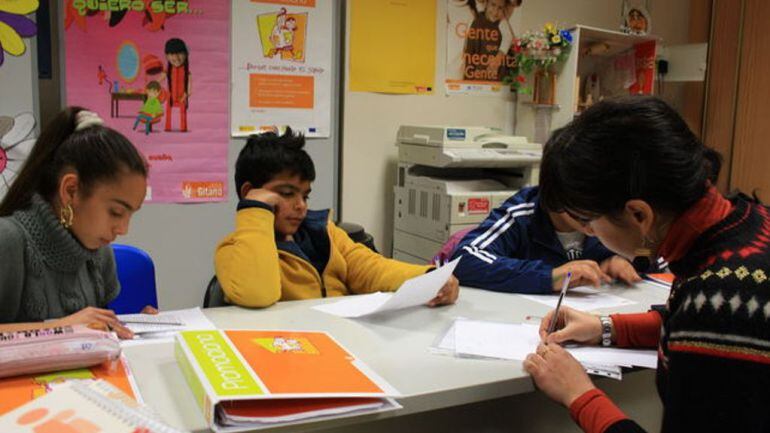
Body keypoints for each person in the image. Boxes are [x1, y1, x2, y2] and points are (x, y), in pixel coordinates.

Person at [523, 96, 770, 432]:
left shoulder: (717, 299)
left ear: (638, 214)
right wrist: (606, 328)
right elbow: (701, 319)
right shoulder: (749, 220)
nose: (589, 232)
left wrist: (579, 394)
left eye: (589, 222)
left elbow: (715, 320)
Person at [215, 128, 459, 308]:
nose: (301, 206)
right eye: (287, 194)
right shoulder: (234, 251)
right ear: (251, 194)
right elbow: (258, 294)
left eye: (305, 195)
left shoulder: (324, 233)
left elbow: (370, 268)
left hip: (339, 342)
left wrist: (428, 278)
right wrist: (255, 210)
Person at [0, 108, 149, 339]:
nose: (123, 229)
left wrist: (130, 327)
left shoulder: (99, 254)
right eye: (116, 212)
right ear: (70, 191)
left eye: (132, 214)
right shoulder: (9, 240)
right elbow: (75, 327)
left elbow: (94, 332)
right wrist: (61, 328)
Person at [450, 186, 641, 294]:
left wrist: (625, 259)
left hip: (597, 320)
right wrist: (550, 277)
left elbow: (652, 250)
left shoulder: (610, 212)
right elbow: (464, 260)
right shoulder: (522, 214)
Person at [163, 38, 190, 132]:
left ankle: (183, 128)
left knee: (182, 113)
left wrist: (186, 94)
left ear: (186, 55)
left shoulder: (186, 72)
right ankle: (167, 127)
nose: (176, 58)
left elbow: (189, 85)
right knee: (168, 111)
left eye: (179, 54)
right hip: (170, 95)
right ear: (167, 56)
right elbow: (160, 78)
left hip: (182, 95)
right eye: (172, 54)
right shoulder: (168, 70)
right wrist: (154, 84)